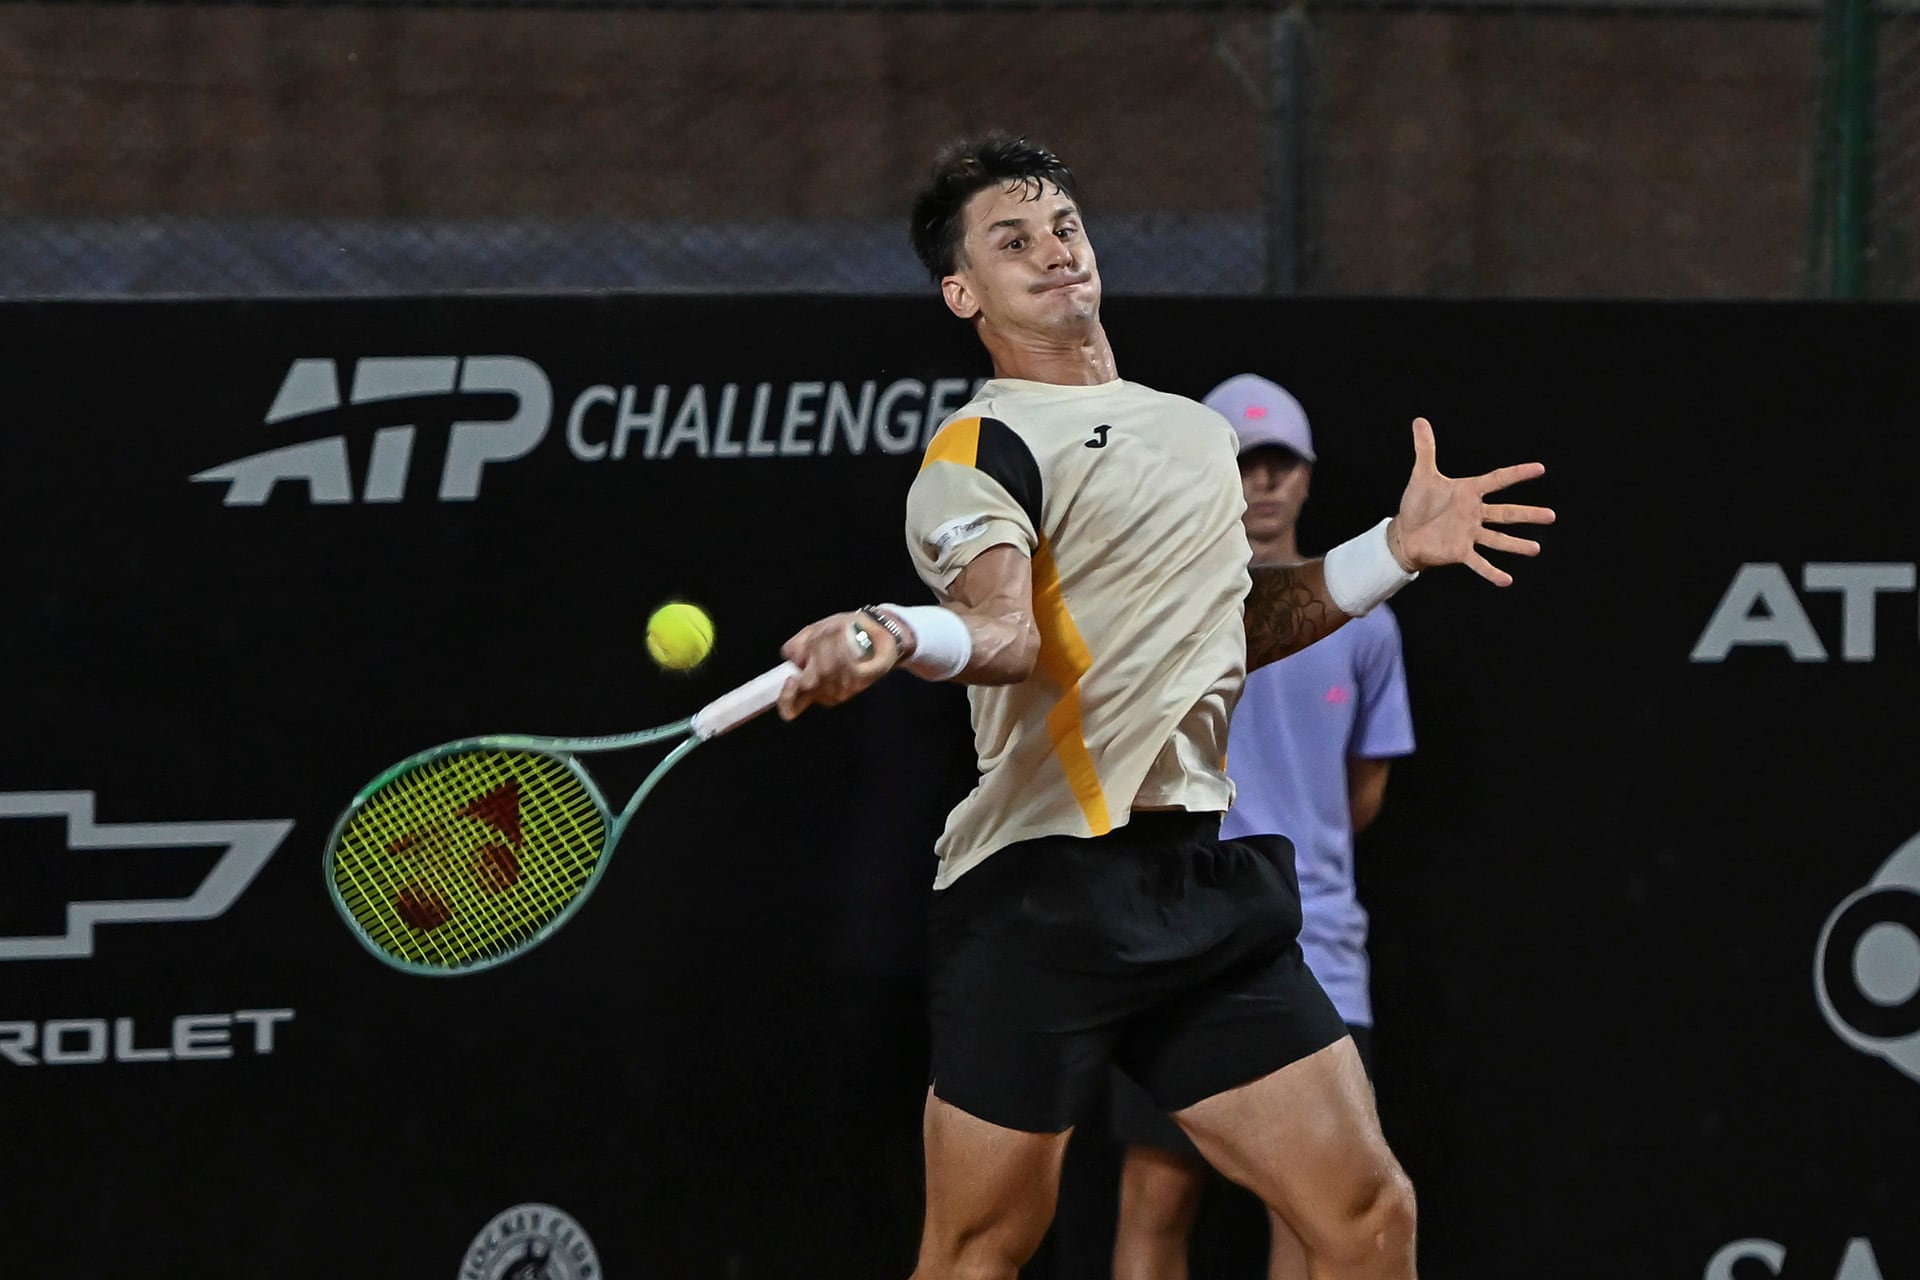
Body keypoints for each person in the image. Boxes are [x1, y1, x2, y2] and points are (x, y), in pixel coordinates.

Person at [771, 134, 1553, 1280]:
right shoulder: (979, 446)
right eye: (1012, 241)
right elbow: (1003, 631)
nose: (1054, 251)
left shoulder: (1195, 434)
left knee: (1368, 1212)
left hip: (1193, 882)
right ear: (962, 291)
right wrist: (895, 630)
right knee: (979, 1251)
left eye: (1064, 227)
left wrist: (1389, 551)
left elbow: (1231, 628)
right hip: (1040, 892)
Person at [1108, 374, 1417, 1280]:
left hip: (1318, 946)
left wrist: (1290, 853)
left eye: (1280, 463)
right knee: (1156, 1192)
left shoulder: (1366, 627)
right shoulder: (1154, 615)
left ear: (1307, 477)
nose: (1263, 483)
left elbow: (1363, 793)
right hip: (1178, 940)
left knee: (1318, 1206)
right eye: (1244, 464)